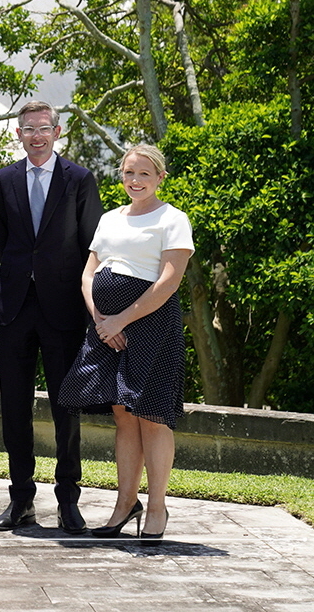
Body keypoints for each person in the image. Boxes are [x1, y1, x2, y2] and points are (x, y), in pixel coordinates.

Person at [59, 143, 193, 543]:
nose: (135, 181)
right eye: (129, 173)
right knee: (122, 415)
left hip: (152, 326)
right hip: (107, 329)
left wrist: (123, 318)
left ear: (160, 178)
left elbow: (169, 281)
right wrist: (102, 321)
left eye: (144, 174)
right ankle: (124, 503)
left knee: (152, 415)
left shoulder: (173, 219)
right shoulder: (109, 219)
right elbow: (89, 274)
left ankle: (156, 507)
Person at [0, 101, 103, 533]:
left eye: (43, 129)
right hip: (15, 308)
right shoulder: (4, 180)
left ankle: (68, 501)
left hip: (64, 309)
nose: (36, 136)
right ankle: (21, 500)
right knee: (13, 409)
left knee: (65, 408)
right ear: (17, 134)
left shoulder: (79, 179)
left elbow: (92, 244)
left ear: (57, 132)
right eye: (27, 129)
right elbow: (6, 244)